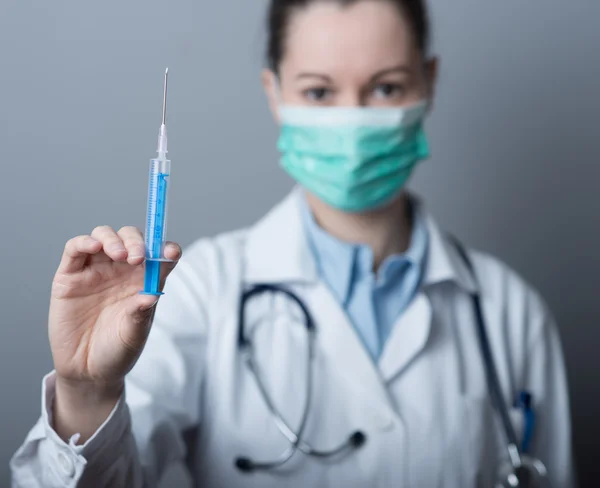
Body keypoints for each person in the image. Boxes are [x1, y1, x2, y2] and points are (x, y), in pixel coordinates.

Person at [11, 0, 576, 486]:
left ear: (428, 83)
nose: (352, 120)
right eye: (319, 91)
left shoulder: (509, 313)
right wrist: (86, 391)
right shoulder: (202, 292)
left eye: (385, 87)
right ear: (274, 93)